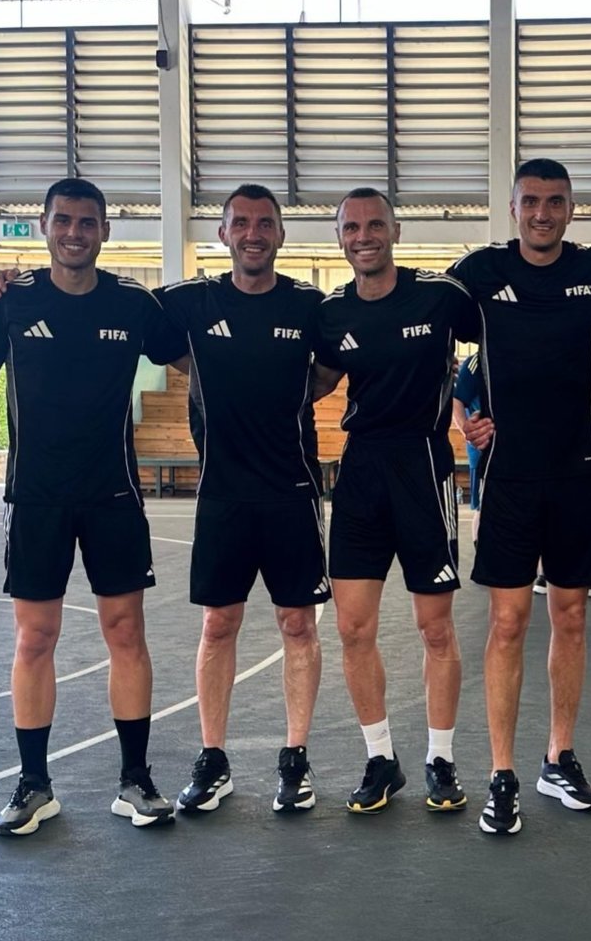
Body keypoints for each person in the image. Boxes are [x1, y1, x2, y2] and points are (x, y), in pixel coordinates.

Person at [0, 178, 187, 834]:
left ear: (105, 231)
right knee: (35, 637)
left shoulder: (133, 304)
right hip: (37, 497)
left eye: (88, 223)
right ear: (44, 226)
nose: (75, 233)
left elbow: (197, 359)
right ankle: (34, 785)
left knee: (126, 633)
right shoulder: (9, 301)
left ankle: (135, 781)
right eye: (63, 221)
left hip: (113, 495)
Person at [449, 158, 591, 835]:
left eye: (555, 201)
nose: (542, 213)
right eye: (531, 201)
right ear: (513, 208)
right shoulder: (479, 272)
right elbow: (420, 328)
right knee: (508, 624)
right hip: (508, 479)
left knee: (570, 619)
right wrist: (460, 417)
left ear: (570, 208)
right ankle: (501, 774)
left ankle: (558, 756)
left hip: (576, 475)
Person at [158, 184, 331, 814]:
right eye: (241, 223)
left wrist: (287, 391)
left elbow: (334, 366)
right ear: (223, 234)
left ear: (281, 234)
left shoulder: (310, 305)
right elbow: (111, 303)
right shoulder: (193, 300)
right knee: (218, 624)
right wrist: (10, 285)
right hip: (223, 493)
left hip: (291, 491)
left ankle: (295, 759)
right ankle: (213, 758)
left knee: (298, 624)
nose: (252, 234)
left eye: (264, 223)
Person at [311, 187, 479, 814]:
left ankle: (441, 759)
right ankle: (380, 759)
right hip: (361, 473)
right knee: (353, 627)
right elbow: (315, 381)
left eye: (374, 224)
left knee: (434, 627)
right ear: (339, 238)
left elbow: (507, 336)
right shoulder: (331, 312)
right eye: (351, 228)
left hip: (424, 468)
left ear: (396, 231)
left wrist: (487, 413)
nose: (364, 236)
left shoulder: (439, 295)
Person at [452, 352, 483, 548]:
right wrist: (468, 433)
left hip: (511, 450)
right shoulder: (476, 362)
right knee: (482, 506)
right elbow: (457, 401)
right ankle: (481, 553)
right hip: (482, 451)